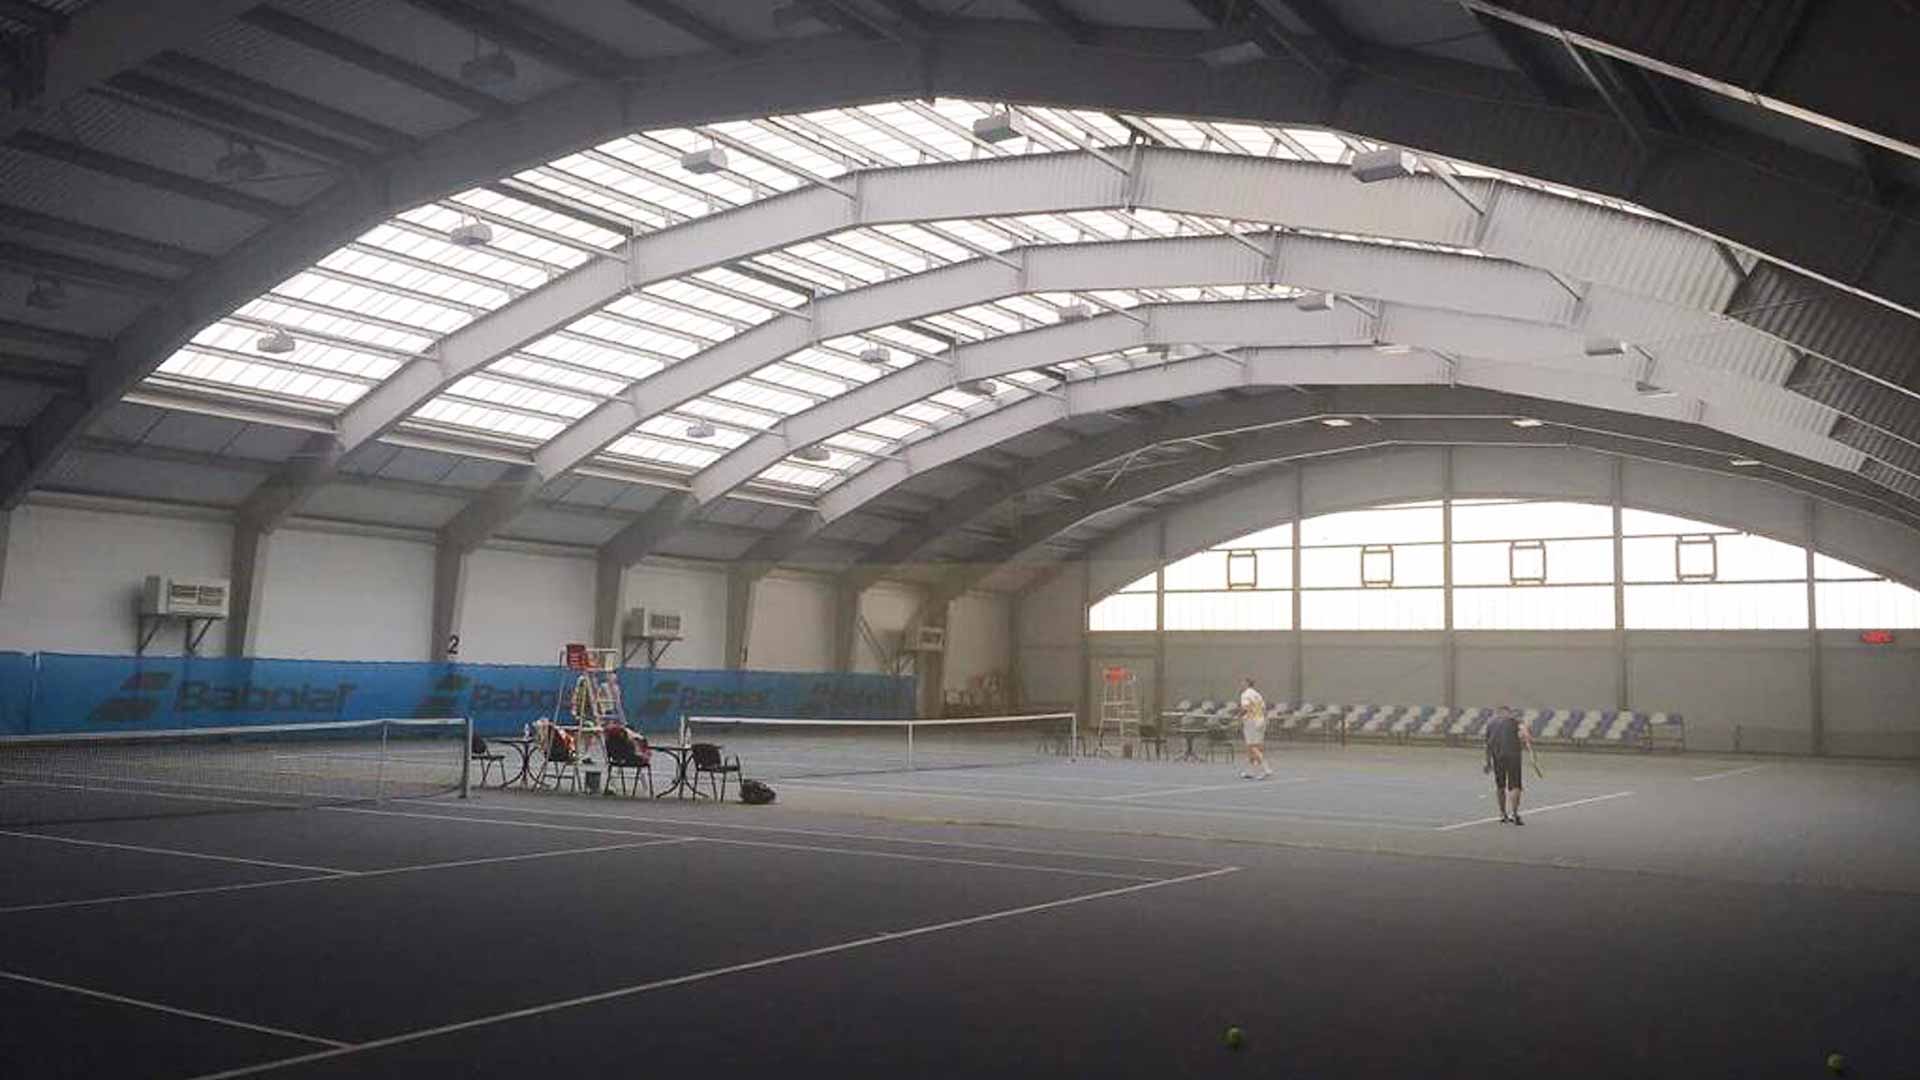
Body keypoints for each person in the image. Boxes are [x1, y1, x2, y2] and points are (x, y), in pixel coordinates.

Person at [1483, 706, 1532, 824]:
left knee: (1500, 786)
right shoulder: (1515, 721)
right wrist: (1525, 736)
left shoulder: (1491, 724)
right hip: (1513, 756)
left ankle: (1502, 814)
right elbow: (1525, 735)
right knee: (1515, 786)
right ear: (1508, 712)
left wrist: (1488, 762)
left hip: (1497, 756)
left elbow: (1488, 745)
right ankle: (1515, 814)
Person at [1239, 677, 1272, 780]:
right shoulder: (1258, 694)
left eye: (1242, 682)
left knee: (1252, 747)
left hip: (1251, 721)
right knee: (1255, 747)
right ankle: (1251, 771)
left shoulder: (1245, 694)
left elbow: (1246, 708)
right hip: (1261, 721)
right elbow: (1263, 708)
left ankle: (1266, 769)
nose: (1241, 684)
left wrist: (1238, 717)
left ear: (1247, 684)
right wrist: (1265, 720)